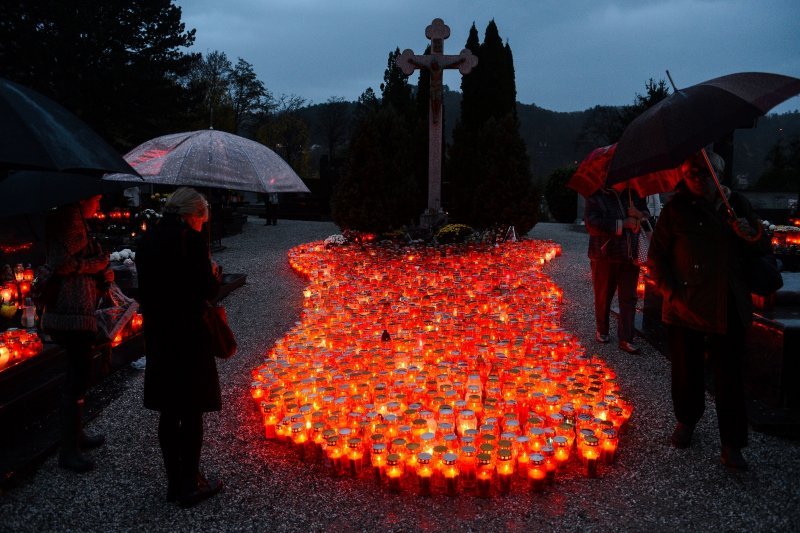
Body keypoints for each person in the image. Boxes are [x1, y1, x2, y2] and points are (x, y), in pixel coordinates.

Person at [648, 151, 768, 471]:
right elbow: (656, 257)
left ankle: (732, 444)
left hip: (727, 302)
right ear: (684, 176)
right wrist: (672, 293)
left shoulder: (737, 204)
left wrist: (750, 233)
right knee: (687, 371)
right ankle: (686, 420)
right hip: (685, 306)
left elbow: (762, 246)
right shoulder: (675, 209)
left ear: (719, 172)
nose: (699, 178)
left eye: (706, 172)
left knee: (729, 377)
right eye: (692, 173)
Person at [136, 187, 224, 507]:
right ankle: (189, 483)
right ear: (192, 214)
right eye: (202, 217)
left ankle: (175, 482)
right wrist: (213, 272)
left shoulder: (147, 239)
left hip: (159, 335)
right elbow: (208, 290)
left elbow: (144, 287)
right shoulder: (192, 240)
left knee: (169, 409)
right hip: (188, 335)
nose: (203, 223)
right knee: (191, 409)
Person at [41, 194, 111, 472]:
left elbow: (78, 258)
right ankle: (68, 450)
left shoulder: (77, 220)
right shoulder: (69, 220)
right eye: (97, 198)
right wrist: (97, 265)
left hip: (75, 308)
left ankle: (77, 435)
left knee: (80, 373)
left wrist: (99, 271)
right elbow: (63, 263)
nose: (100, 203)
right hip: (68, 312)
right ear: (83, 199)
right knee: (77, 375)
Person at [585, 186, 650, 354]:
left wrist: (639, 215)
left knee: (629, 297)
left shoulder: (634, 192)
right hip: (605, 253)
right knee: (604, 294)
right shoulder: (598, 194)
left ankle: (626, 337)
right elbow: (591, 223)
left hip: (630, 254)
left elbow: (646, 214)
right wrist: (622, 224)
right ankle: (602, 329)